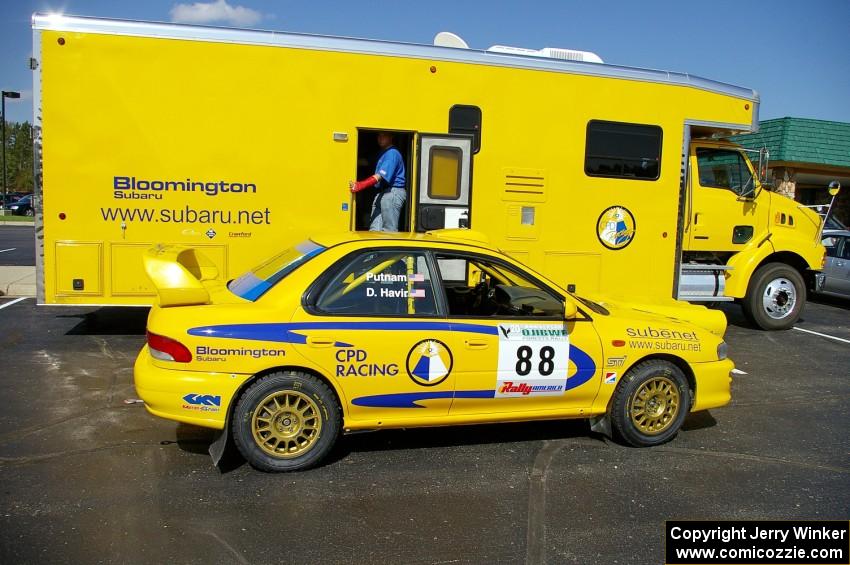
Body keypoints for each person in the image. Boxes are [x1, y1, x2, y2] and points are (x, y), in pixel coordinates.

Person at [349, 132, 406, 232]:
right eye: (379, 136)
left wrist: (361, 185)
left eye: (384, 135)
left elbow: (380, 176)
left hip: (392, 193)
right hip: (382, 193)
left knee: (389, 232)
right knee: (374, 231)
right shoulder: (382, 153)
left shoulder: (392, 153)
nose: (380, 138)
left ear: (391, 136)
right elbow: (366, 162)